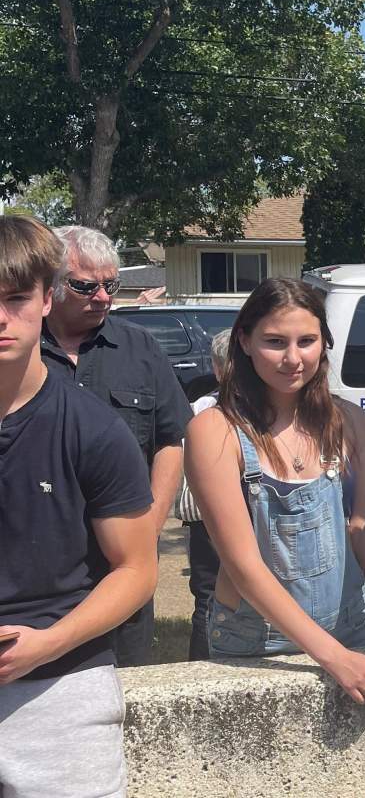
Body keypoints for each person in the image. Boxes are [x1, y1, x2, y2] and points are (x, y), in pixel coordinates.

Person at [0, 215, 157, 796]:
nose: (0, 317)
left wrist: (51, 643)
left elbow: (138, 570)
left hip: (60, 687)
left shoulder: (93, 428)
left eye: (16, 298)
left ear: (46, 299)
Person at [184, 279, 365, 703]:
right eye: (275, 342)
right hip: (256, 643)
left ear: (324, 343)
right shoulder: (215, 430)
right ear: (244, 341)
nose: (292, 358)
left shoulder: (349, 421)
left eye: (307, 341)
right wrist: (332, 657)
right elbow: (243, 567)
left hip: (349, 630)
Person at [41, 225, 191, 667]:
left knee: (125, 690)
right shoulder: (19, 349)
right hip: (42, 564)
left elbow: (170, 439)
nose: (103, 297)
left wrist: (150, 526)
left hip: (123, 559)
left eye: (111, 285)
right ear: (51, 284)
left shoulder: (139, 346)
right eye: (85, 286)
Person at [177, 329, 231, 660]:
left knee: (209, 596)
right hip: (206, 521)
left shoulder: (197, 409)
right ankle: (205, 662)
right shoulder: (202, 411)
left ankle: (205, 661)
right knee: (210, 595)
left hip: (202, 520)